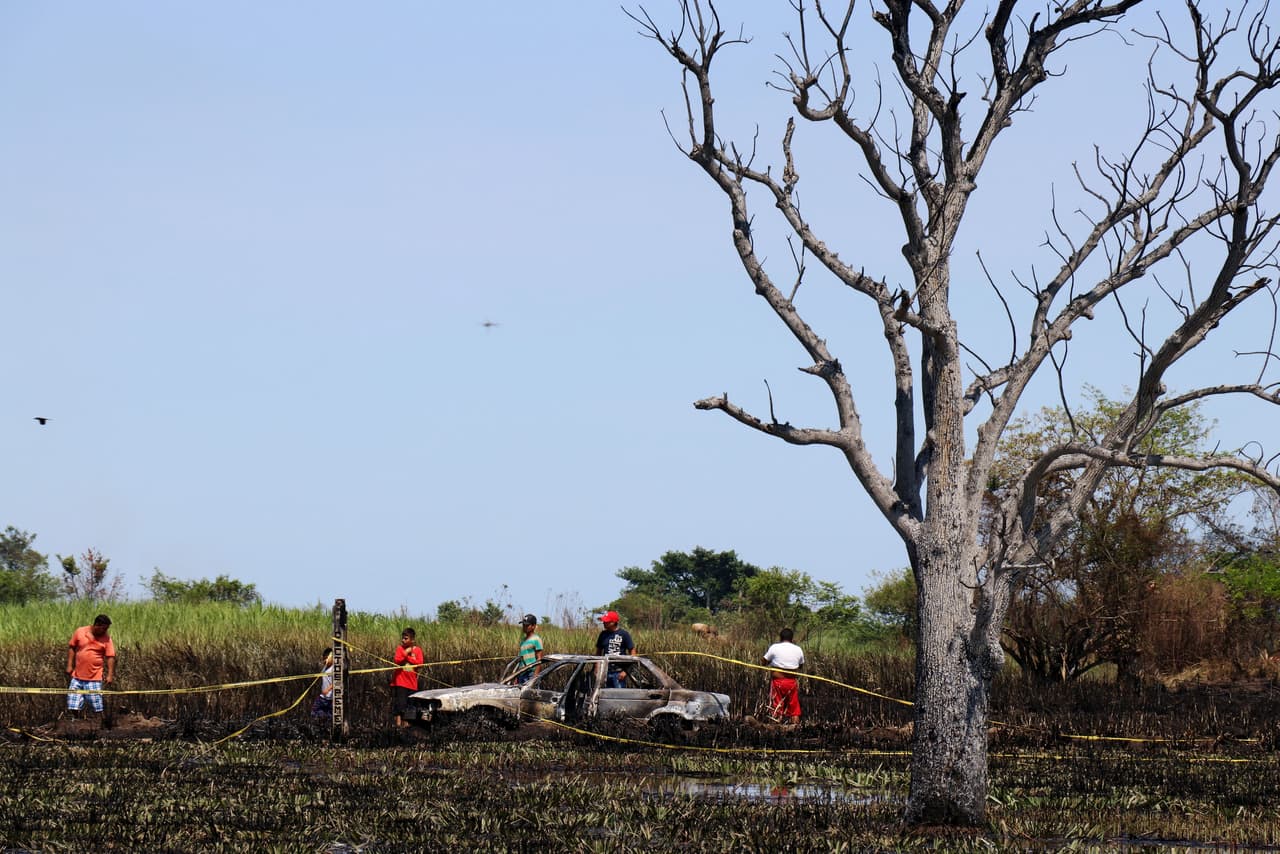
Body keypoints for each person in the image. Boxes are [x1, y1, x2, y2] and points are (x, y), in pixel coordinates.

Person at [66, 614, 115, 719]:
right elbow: (72, 647)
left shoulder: (107, 639)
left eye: (107, 629)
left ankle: (101, 723)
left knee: (96, 705)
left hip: (94, 677)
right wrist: (69, 665)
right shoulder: (80, 632)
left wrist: (110, 675)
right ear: (97, 625)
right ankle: (77, 722)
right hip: (77, 676)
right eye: (104, 628)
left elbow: (110, 656)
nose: (105, 631)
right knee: (72, 703)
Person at [762, 627, 805, 725]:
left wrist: (772, 662)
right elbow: (801, 665)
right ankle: (796, 730)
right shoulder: (798, 649)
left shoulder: (774, 647)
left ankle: (775, 729)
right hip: (792, 683)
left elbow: (763, 661)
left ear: (780, 638)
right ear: (792, 639)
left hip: (778, 682)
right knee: (794, 709)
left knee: (776, 707)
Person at [391, 627, 424, 728]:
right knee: (400, 705)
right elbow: (397, 660)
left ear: (412, 640)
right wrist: (405, 653)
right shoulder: (400, 649)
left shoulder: (417, 650)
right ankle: (398, 727)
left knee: (410, 706)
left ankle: (407, 728)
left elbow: (419, 664)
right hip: (400, 682)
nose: (403, 640)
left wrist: (408, 657)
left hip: (412, 684)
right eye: (403, 638)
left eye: (406, 638)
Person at [594, 610, 635, 688]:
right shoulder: (603, 635)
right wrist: (597, 668)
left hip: (619, 673)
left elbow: (633, 653)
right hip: (605, 672)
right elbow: (598, 652)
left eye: (606, 621)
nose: (603, 623)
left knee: (618, 697)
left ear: (613, 622)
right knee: (605, 696)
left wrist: (625, 671)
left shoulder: (624, 634)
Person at [516, 614, 544, 684]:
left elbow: (539, 659)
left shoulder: (536, 639)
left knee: (530, 694)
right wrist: (517, 676)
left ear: (533, 626)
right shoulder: (523, 641)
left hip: (531, 673)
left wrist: (535, 677)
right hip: (522, 673)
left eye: (527, 625)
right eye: (523, 625)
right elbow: (521, 660)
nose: (524, 627)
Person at [311, 648, 334, 718]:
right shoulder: (325, 668)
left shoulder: (334, 669)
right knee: (314, 712)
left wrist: (327, 689)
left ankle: (326, 718)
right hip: (323, 697)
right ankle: (324, 718)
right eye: (323, 658)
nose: (324, 660)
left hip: (330, 697)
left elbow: (337, 682)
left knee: (328, 714)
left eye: (326, 658)